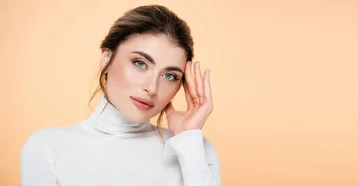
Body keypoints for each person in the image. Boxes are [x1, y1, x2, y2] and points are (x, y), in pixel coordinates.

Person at [20, 5, 221, 186]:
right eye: (140, 63)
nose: (152, 88)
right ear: (107, 58)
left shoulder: (194, 149)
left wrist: (187, 141)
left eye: (169, 75)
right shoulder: (48, 147)